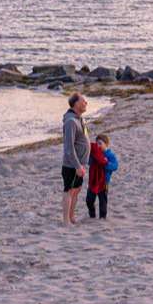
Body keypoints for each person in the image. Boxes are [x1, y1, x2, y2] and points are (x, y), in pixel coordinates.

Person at [60, 94, 90, 226]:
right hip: (71, 164)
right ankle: (66, 220)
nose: (86, 103)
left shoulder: (80, 119)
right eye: (84, 101)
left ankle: (72, 216)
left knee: (77, 190)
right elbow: (69, 147)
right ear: (76, 103)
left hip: (81, 164)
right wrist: (77, 166)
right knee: (69, 191)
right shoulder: (71, 121)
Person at [85, 133, 117, 219]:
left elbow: (115, 166)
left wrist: (105, 163)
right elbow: (89, 162)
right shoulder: (95, 153)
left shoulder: (110, 155)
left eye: (100, 143)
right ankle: (92, 215)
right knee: (89, 200)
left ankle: (102, 218)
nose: (98, 145)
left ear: (106, 144)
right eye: (97, 143)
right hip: (93, 181)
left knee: (103, 201)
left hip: (104, 182)